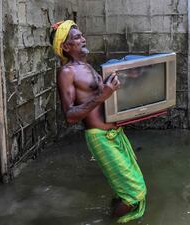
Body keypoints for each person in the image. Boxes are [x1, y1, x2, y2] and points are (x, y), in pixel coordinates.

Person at [50, 20, 147, 223]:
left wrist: (125, 78)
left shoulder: (86, 66)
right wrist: (103, 96)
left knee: (126, 189)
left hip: (115, 135)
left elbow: (102, 93)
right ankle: (109, 221)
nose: (83, 39)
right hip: (101, 138)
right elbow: (70, 116)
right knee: (135, 192)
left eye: (81, 35)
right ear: (66, 47)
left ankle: (115, 210)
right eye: (77, 37)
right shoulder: (66, 72)